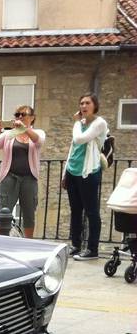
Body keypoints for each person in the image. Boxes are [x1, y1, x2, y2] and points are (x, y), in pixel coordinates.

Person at [0, 105, 45, 238]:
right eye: (17, 114)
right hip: (10, 178)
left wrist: (24, 129)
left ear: (32, 118)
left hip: (29, 179)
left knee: (29, 214)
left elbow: (39, 141)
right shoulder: (9, 134)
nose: (19, 117)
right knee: (3, 212)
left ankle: (28, 244)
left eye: (23, 115)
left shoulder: (38, 133)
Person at [62, 93, 108, 260]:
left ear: (94, 105)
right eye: (81, 103)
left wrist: (75, 122)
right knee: (75, 210)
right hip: (73, 171)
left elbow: (80, 139)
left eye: (87, 103)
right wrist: (64, 173)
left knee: (91, 211)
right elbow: (73, 149)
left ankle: (92, 249)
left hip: (88, 172)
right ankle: (75, 245)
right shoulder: (80, 123)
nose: (83, 106)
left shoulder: (99, 123)